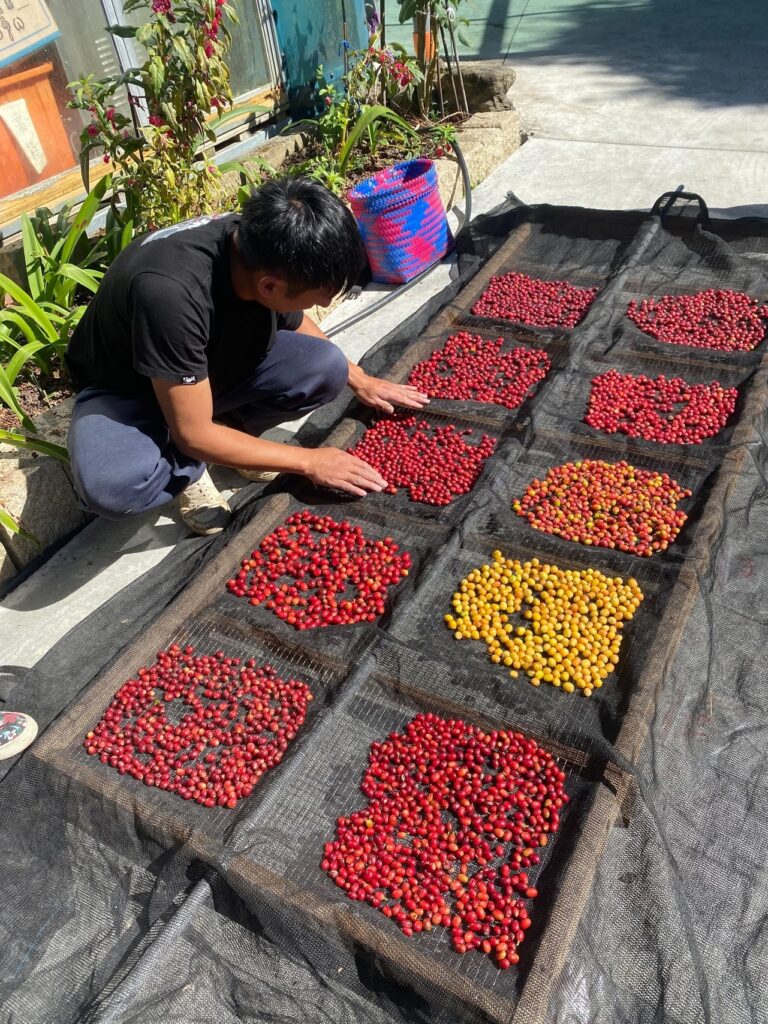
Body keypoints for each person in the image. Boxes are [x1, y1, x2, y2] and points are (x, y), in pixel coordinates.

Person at [65, 176, 429, 535]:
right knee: (114, 487)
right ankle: (193, 463)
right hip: (128, 389)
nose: (321, 305)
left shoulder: (262, 244)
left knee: (327, 366)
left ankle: (223, 437)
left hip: (199, 370)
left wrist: (360, 379)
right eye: (319, 297)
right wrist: (309, 461)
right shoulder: (170, 293)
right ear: (269, 286)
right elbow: (192, 433)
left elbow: (297, 321)